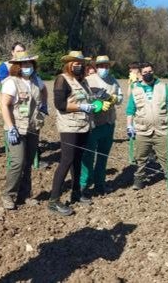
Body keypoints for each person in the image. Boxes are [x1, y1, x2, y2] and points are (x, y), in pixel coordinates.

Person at [50, 50, 108, 216]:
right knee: (66, 160)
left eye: (81, 63)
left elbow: (87, 99)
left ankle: (76, 193)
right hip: (69, 126)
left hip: (84, 125)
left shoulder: (82, 81)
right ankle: (54, 200)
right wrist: (81, 107)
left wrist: (96, 100)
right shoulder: (62, 79)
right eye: (75, 63)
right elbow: (60, 104)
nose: (78, 65)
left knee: (77, 160)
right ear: (69, 64)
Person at [0, 50, 45, 210]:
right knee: (17, 162)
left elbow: (44, 91)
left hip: (33, 127)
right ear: (17, 66)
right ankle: (8, 195)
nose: (28, 66)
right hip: (16, 128)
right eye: (24, 64)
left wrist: (44, 104)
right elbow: (4, 105)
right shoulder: (11, 82)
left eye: (30, 63)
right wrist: (11, 127)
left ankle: (25, 194)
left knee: (28, 162)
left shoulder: (36, 80)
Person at [126, 62, 168, 190]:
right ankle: (139, 180)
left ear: (153, 71)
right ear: (141, 74)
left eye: (150, 71)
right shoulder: (135, 89)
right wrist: (129, 126)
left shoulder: (162, 86)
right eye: (145, 72)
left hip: (161, 129)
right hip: (142, 130)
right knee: (140, 158)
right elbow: (130, 110)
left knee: (166, 158)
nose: (148, 74)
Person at [81, 55, 123, 197]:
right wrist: (98, 103)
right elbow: (84, 99)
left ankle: (100, 184)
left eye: (106, 66)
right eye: (100, 66)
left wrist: (114, 99)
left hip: (109, 123)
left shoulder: (113, 81)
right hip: (93, 124)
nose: (103, 68)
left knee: (103, 156)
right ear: (95, 67)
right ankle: (84, 186)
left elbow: (120, 97)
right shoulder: (88, 81)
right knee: (88, 156)